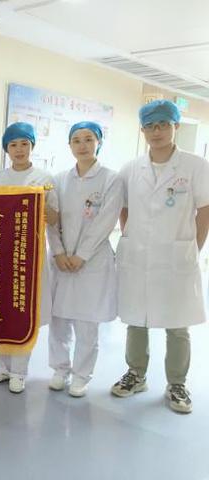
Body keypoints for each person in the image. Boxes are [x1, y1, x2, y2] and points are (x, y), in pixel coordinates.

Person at [111, 100, 209, 414]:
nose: (157, 132)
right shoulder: (131, 168)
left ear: (175, 126)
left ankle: (177, 383)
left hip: (176, 256)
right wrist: (132, 238)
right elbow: (124, 208)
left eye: (163, 124)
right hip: (138, 256)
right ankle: (136, 374)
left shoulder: (195, 166)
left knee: (177, 323)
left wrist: (193, 248)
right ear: (142, 130)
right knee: (135, 318)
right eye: (150, 126)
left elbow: (205, 210)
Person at [45, 121, 122, 397]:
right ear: (69, 146)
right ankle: (60, 370)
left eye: (89, 139)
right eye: (76, 140)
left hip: (92, 262)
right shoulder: (58, 179)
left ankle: (81, 376)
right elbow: (51, 220)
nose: (82, 145)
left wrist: (82, 255)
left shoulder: (111, 179)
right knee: (59, 321)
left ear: (98, 143)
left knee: (87, 324)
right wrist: (59, 252)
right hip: (62, 261)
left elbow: (106, 221)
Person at [0, 122, 59, 393]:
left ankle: (19, 371)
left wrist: (40, 207)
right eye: (13, 144)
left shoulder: (44, 177)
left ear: (32, 146)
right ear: (6, 148)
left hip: (30, 256)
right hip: (0, 254)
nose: (19, 149)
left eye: (24, 144)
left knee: (23, 312)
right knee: (1, 310)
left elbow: (54, 217)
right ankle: (3, 367)